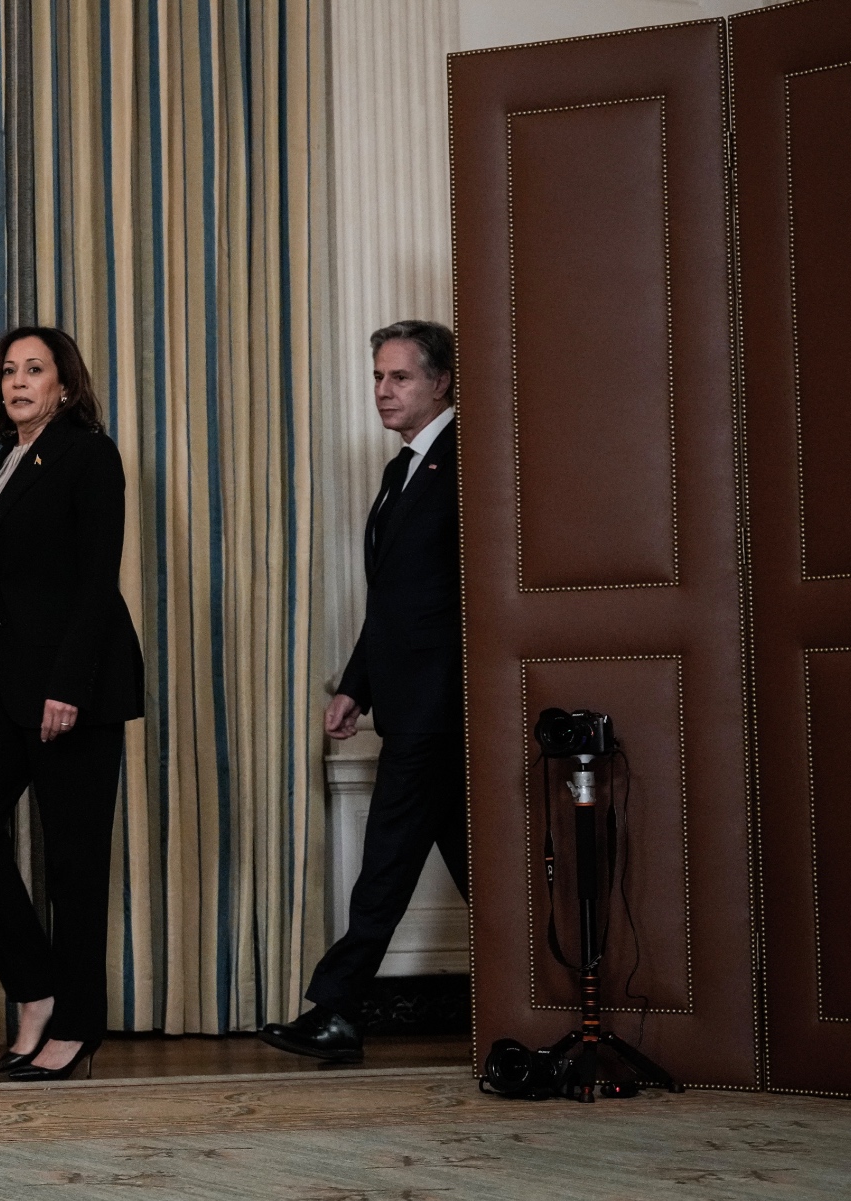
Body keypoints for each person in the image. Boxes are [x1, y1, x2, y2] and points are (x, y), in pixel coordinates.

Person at [0, 326, 145, 1084]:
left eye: (34, 369)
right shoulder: (3, 462)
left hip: (73, 682)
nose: (17, 381)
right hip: (2, 677)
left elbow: (96, 580)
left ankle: (77, 1029)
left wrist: (68, 683)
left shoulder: (89, 454)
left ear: (64, 383)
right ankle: (36, 988)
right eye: (8, 371)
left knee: (74, 862)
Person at [261, 319, 469, 1065]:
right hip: (411, 701)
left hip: (443, 706)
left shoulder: (468, 459)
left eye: (399, 377)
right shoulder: (400, 471)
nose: (382, 390)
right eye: (378, 377)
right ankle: (549, 986)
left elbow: (463, 598)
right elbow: (394, 601)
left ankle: (338, 1007)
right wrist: (356, 685)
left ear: (441, 382)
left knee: (384, 859)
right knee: (473, 862)